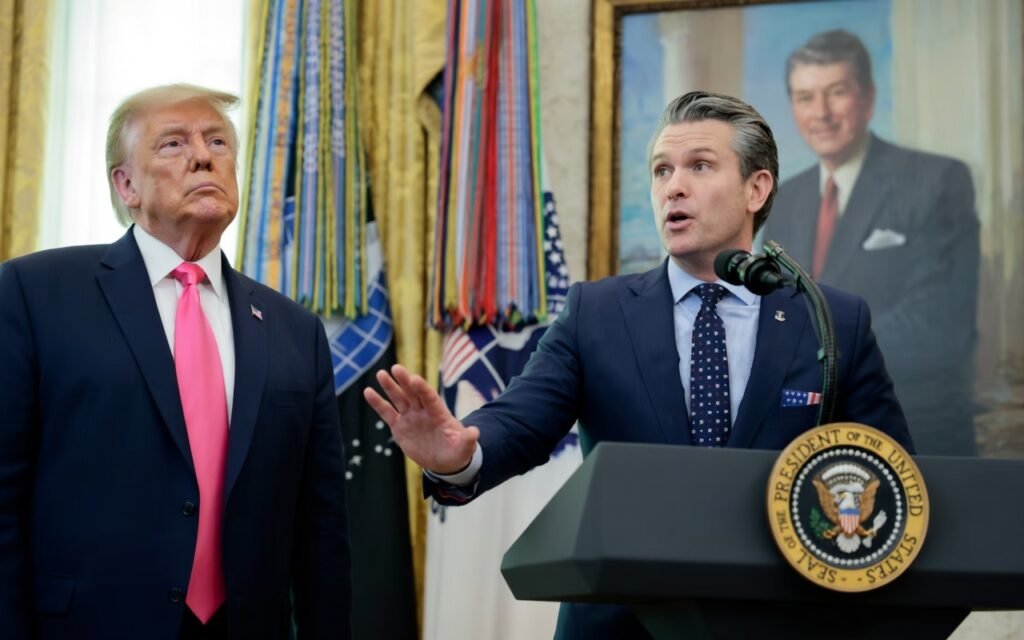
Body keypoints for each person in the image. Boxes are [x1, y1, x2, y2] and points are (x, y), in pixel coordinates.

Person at [365, 90, 914, 639]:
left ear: (757, 188)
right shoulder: (595, 313)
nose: (673, 186)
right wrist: (462, 455)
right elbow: (522, 419)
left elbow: (891, 482)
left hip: (780, 622)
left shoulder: (831, 320)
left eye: (700, 166)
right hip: (623, 624)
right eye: (661, 170)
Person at [0, 84, 351, 640]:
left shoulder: (295, 330)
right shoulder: (35, 292)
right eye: (172, 144)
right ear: (126, 184)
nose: (204, 155)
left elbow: (322, 526)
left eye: (218, 141)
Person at [765, 29, 980, 456]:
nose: (821, 112)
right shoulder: (782, 200)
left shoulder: (936, 182)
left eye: (837, 92)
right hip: (806, 444)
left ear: (868, 97)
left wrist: (813, 356)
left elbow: (938, 325)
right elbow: (775, 322)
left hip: (913, 436)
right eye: (805, 97)